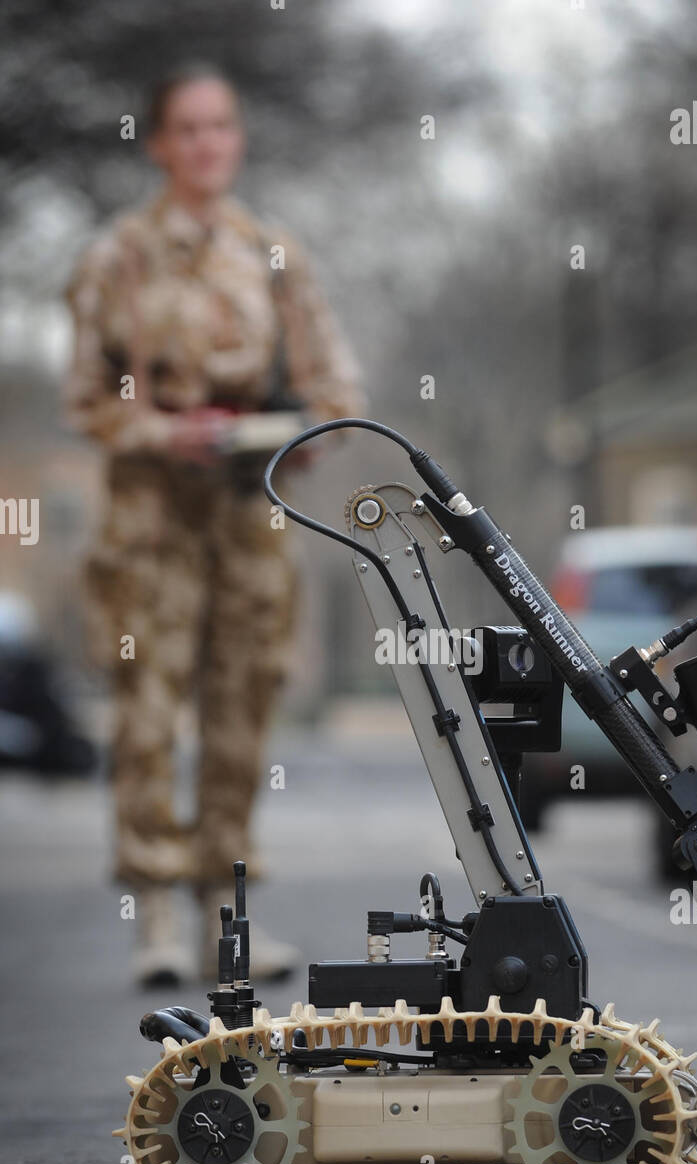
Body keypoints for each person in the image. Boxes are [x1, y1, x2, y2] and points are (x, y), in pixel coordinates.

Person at [65, 64, 363, 986]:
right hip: (153, 514)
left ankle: (224, 916)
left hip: (248, 510)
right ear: (157, 143)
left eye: (220, 126)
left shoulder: (271, 251)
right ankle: (153, 913)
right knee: (148, 712)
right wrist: (164, 430)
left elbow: (333, 381)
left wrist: (303, 432)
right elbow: (90, 398)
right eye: (186, 129)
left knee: (242, 711)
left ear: (236, 138)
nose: (206, 145)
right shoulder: (118, 256)